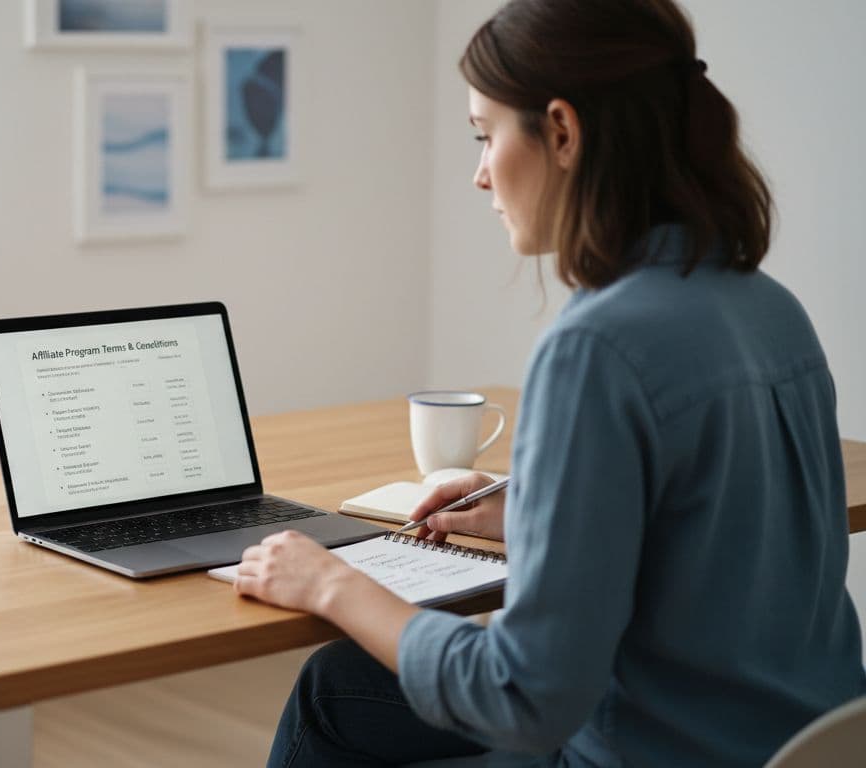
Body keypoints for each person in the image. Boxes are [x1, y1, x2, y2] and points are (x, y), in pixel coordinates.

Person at [232, 0, 866, 765]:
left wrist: (331, 584)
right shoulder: (771, 308)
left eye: (485, 134)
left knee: (331, 689)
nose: (479, 175)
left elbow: (523, 699)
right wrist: (538, 510)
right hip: (807, 745)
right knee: (341, 687)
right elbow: (722, 544)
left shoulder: (597, 346)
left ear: (562, 132)